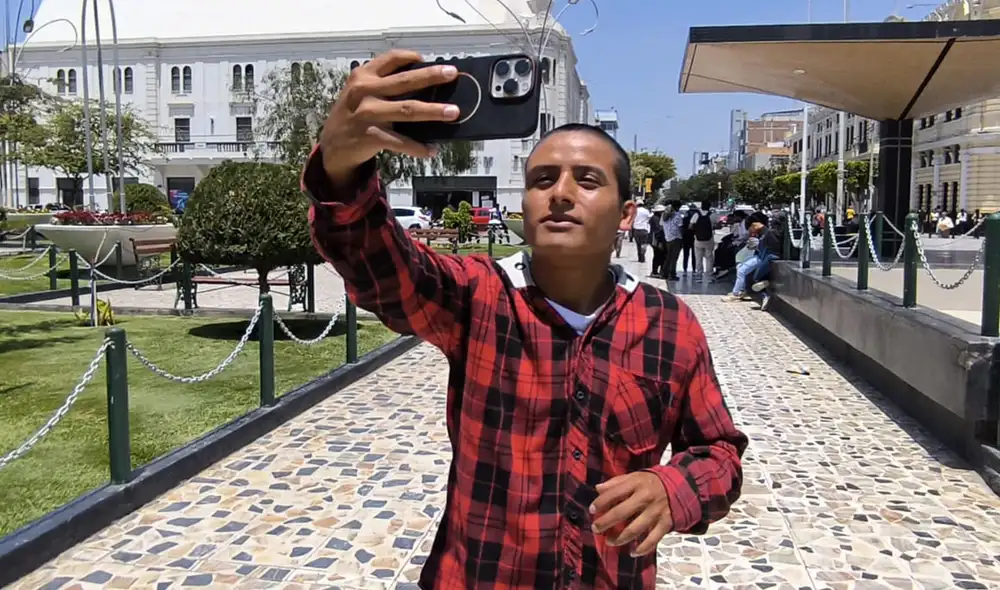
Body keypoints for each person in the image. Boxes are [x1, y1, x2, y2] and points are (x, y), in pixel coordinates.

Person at [306, 51, 747, 589]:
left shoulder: (669, 326)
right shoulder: (478, 297)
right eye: (542, 179)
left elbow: (718, 453)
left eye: (587, 180)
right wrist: (340, 169)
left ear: (626, 214)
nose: (560, 193)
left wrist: (672, 489)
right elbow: (383, 269)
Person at [688, 199, 715, 283]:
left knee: (698, 258)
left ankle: (699, 276)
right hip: (709, 240)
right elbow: (718, 225)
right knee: (709, 258)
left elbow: (690, 227)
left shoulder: (696, 215)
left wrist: (697, 229)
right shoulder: (712, 215)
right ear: (709, 207)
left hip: (698, 239)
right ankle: (709, 276)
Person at [661, 201, 684, 281]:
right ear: (677, 207)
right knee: (674, 258)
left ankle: (664, 273)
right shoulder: (678, 216)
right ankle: (672, 275)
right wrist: (682, 237)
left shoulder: (664, 216)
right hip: (676, 238)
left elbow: (662, 226)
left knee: (668, 257)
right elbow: (680, 228)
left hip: (668, 238)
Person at [649, 203, 667, 277]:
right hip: (656, 240)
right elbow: (658, 231)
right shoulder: (656, 219)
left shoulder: (654, 218)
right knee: (658, 256)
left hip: (655, 240)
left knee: (658, 256)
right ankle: (655, 272)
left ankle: (656, 271)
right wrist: (660, 242)